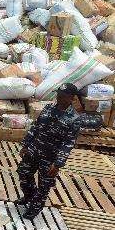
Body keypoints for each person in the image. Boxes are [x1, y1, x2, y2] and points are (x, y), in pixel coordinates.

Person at [16, 83, 81, 220]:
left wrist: (58, 164)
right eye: (58, 94)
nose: (58, 98)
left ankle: (35, 207)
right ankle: (29, 196)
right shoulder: (48, 108)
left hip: (51, 158)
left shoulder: (74, 119)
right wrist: (26, 145)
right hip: (34, 150)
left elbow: (68, 143)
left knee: (44, 185)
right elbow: (36, 127)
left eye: (63, 96)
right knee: (23, 173)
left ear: (71, 98)